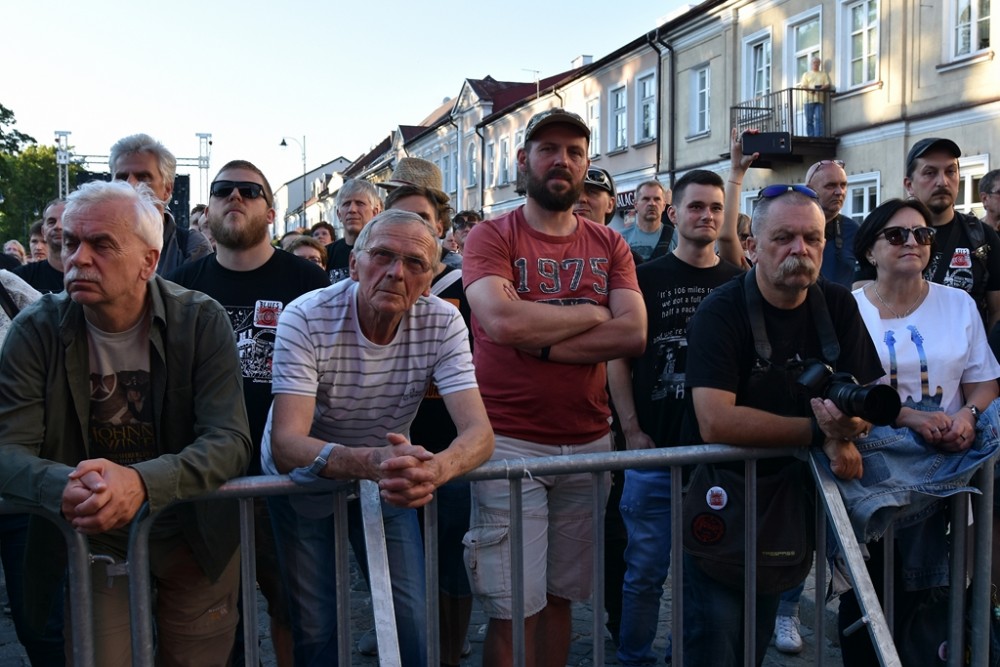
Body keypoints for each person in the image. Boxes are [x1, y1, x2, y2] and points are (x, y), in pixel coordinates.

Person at [0, 180, 252, 666]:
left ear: (148, 261)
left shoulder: (200, 320)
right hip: (93, 537)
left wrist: (140, 483)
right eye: (71, 242)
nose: (78, 258)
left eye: (101, 244)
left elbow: (229, 440)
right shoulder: (36, 328)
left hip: (192, 531)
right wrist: (66, 486)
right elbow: (8, 448)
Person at [260, 209, 493, 667]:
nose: (396, 272)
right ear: (353, 264)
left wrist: (435, 469)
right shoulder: (306, 315)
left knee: (413, 619)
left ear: (429, 281)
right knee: (317, 624)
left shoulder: (443, 321)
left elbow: (479, 433)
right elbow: (287, 444)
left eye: (415, 263)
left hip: (386, 476)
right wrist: (374, 462)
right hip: (305, 478)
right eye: (383, 255)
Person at [462, 107, 645, 666]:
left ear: (586, 164)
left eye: (574, 151)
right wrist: (592, 312)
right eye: (548, 149)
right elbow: (502, 322)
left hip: (588, 442)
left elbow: (633, 333)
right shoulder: (492, 236)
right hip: (509, 442)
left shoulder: (609, 244)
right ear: (524, 160)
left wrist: (541, 341)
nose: (561, 160)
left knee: (562, 599)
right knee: (513, 608)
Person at [681, 184, 883, 666]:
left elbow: (868, 399)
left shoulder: (837, 304)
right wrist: (821, 434)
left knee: (753, 639)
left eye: (812, 238)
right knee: (715, 640)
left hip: (790, 505)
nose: (800, 249)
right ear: (752, 247)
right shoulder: (721, 310)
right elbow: (715, 421)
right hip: (724, 496)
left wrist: (853, 425)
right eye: (784, 238)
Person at [168, 160, 329, 667]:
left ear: (271, 210)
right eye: (222, 189)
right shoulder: (180, 285)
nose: (235, 197)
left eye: (249, 190)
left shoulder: (307, 280)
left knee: (298, 612)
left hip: (285, 476)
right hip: (208, 479)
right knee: (218, 615)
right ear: (208, 208)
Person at [841, 197, 1000, 664]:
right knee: (871, 596)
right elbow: (847, 390)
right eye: (897, 234)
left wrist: (967, 416)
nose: (912, 241)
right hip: (878, 472)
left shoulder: (958, 303)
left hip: (950, 466)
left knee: (928, 596)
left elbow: (984, 381)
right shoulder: (849, 309)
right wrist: (913, 419)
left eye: (922, 234)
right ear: (870, 250)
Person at [608, 169, 742, 666]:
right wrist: (631, 430)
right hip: (654, 453)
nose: (706, 215)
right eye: (696, 206)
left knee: (701, 575)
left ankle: (681, 657)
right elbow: (617, 358)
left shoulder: (737, 283)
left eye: (715, 208)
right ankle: (633, 657)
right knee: (644, 572)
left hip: (716, 461)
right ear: (674, 213)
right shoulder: (645, 278)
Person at [385, 188, 475, 666]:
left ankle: (451, 648)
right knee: (402, 565)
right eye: (399, 216)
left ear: (439, 227)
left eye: (421, 217)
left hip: (448, 446)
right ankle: (405, 640)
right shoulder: (378, 283)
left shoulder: (466, 284)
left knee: (453, 561)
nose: (411, 226)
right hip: (392, 448)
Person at [857, 138, 1000, 333]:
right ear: (909, 184)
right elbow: (863, 308)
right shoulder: (886, 234)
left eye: (950, 171)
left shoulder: (982, 237)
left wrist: (984, 351)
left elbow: (997, 313)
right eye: (930, 173)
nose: (942, 182)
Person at [109, 133, 213, 275]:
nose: (130, 184)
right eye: (121, 178)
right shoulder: (92, 241)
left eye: (143, 177)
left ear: (167, 189)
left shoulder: (192, 247)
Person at [805, 158, 859, 288]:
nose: (840, 192)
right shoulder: (793, 227)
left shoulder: (854, 231)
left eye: (843, 185)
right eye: (831, 186)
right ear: (809, 190)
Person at [325, 179, 382, 282]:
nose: (352, 209)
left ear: (375, 212)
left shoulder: (385, 252)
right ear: (339, 214)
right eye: (346, 204)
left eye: (360, 203)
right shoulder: (326, 255)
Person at [14, 198, 66, 293]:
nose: (58, 226)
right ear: (43, 231)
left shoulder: (91, 276)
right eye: (51, 222)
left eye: (64, 220)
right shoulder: (20, 278)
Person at [621, 180, 672, 262]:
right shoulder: (621, 239)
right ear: (636, 204)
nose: (652, 203)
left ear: (664, 205)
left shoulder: (677, 237)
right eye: (646, 199)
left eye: (657, 199)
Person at [800, 57, 831, 137]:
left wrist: (821, 88)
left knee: (819, 119)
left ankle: (818, 136)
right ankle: (811, 136)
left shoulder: (823, 74)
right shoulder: (806, 74)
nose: (816, 64)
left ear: (819, 64)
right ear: (811, 64)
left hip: (819, 100)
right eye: (814, 62)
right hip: (808, 100)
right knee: (809, 120)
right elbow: (803, 86)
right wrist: (811, 90)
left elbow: (827, 85)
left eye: (817, 62)